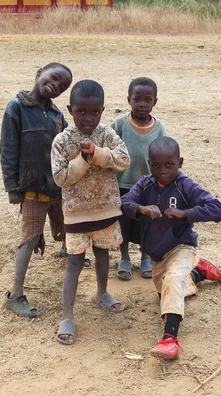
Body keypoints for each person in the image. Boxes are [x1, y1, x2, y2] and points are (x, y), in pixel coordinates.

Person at [121, 136, 221, 360]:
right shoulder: (145, 184)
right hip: (157, 255)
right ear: (149, 163)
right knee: (166, 293)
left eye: (169, 165)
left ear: (180, 162)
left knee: (173, 282)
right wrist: (141, 209)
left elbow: (217, 209)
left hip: (181, 247)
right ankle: (200, 272)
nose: (162, 170)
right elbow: (123, 203)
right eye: (156, 165)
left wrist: (186, 214)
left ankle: (169, 340)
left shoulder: (185, 185)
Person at [51, 79, 130, 345]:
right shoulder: (62, 141)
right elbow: (61, 178)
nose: (88, 117)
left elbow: (123, 159)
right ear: (70, 109)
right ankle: (68, 315)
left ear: (102, 110)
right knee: (74, 263)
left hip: (105, 210)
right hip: (75, 214)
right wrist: (84, 160)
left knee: (103, 253)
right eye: (81, 111)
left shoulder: (106, 134)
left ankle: (101, 293)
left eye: (95, 112)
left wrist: (97, 152)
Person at [0, 62, 73, 318]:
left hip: (57, 188)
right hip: (31, 190)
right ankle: (15, 295)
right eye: (54, 78)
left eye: (62, 87)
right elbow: (8, 150)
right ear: (40, 72)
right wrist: (12, 187)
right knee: (29, 240)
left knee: (68, 229)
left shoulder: (56, 115)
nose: (56, 86)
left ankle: (65, 249)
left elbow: (66, 148)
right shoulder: (16, 108)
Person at [111, 77, 166, 281]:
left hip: (148, 186)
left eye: (148, 99)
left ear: (155, 101)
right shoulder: (119, 123)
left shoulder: (159, 128)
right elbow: (110, 147)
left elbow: (163, 152)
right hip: (122, 185)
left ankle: (145, 258)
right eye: (137, 99)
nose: (142, 104)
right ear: (129, 100)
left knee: (148, 224)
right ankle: (124, 257)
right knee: (123, 223)